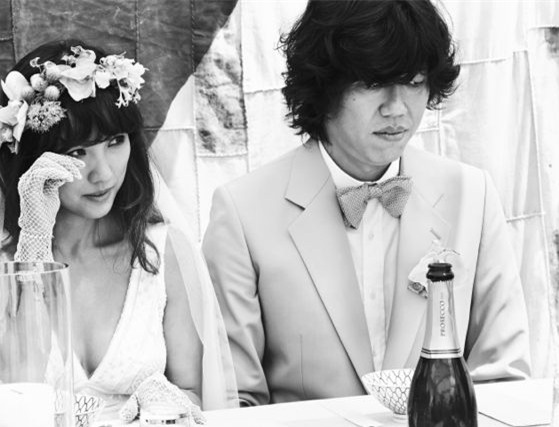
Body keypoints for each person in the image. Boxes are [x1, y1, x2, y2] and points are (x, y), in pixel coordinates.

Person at [202, 0, 531, 407]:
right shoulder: (242, 212)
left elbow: (503, 380)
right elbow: (233, 403)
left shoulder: (471, 195)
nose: (397, 109)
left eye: (414, 82)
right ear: (323, 87)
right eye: (373, 84)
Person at [0, 39, 238, 419]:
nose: (104, 174)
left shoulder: (164, 252)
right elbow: (17, 392)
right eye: (77, 152)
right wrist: (34, 241)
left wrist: (161, 404)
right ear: (31, 158)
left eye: (115, 142)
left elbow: (195, 393)